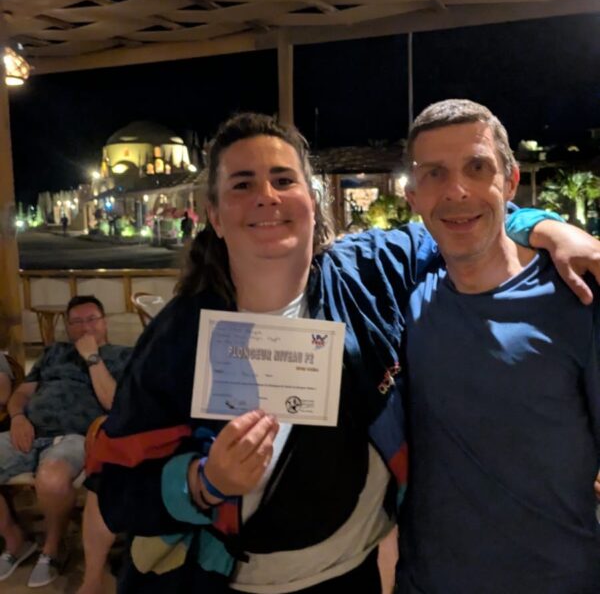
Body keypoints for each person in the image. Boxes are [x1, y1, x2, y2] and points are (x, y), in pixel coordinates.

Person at [87, 113, 600, 593]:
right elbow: (116, 492)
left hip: (352, 578)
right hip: (220, 581)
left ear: (312, 201)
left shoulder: (368, 274)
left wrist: (550, 229)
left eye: (283, 179)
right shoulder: (180, 336)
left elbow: (463, 216)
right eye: (243, 184)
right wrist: (204, 482)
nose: (267, 197)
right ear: (215, 216)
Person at [399, 99, 600, 593]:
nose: (457, 191)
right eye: (435, 174)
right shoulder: (410, 290)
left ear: (510, 182)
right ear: (413, 197)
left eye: (477, 167)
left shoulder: (577, 296)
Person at [0, 295, 131, 587]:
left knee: (51, 478)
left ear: (104, 323)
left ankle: (53, 546)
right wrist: (18, 416)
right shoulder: (53, 353)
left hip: (79, 436)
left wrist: (93, 358)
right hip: (30, 431)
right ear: (68, 326)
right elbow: (22, 393)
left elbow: (114, 404)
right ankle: (14, 538)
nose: (85, 327)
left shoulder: (122, 356)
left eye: (92, 320)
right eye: (76, 322)